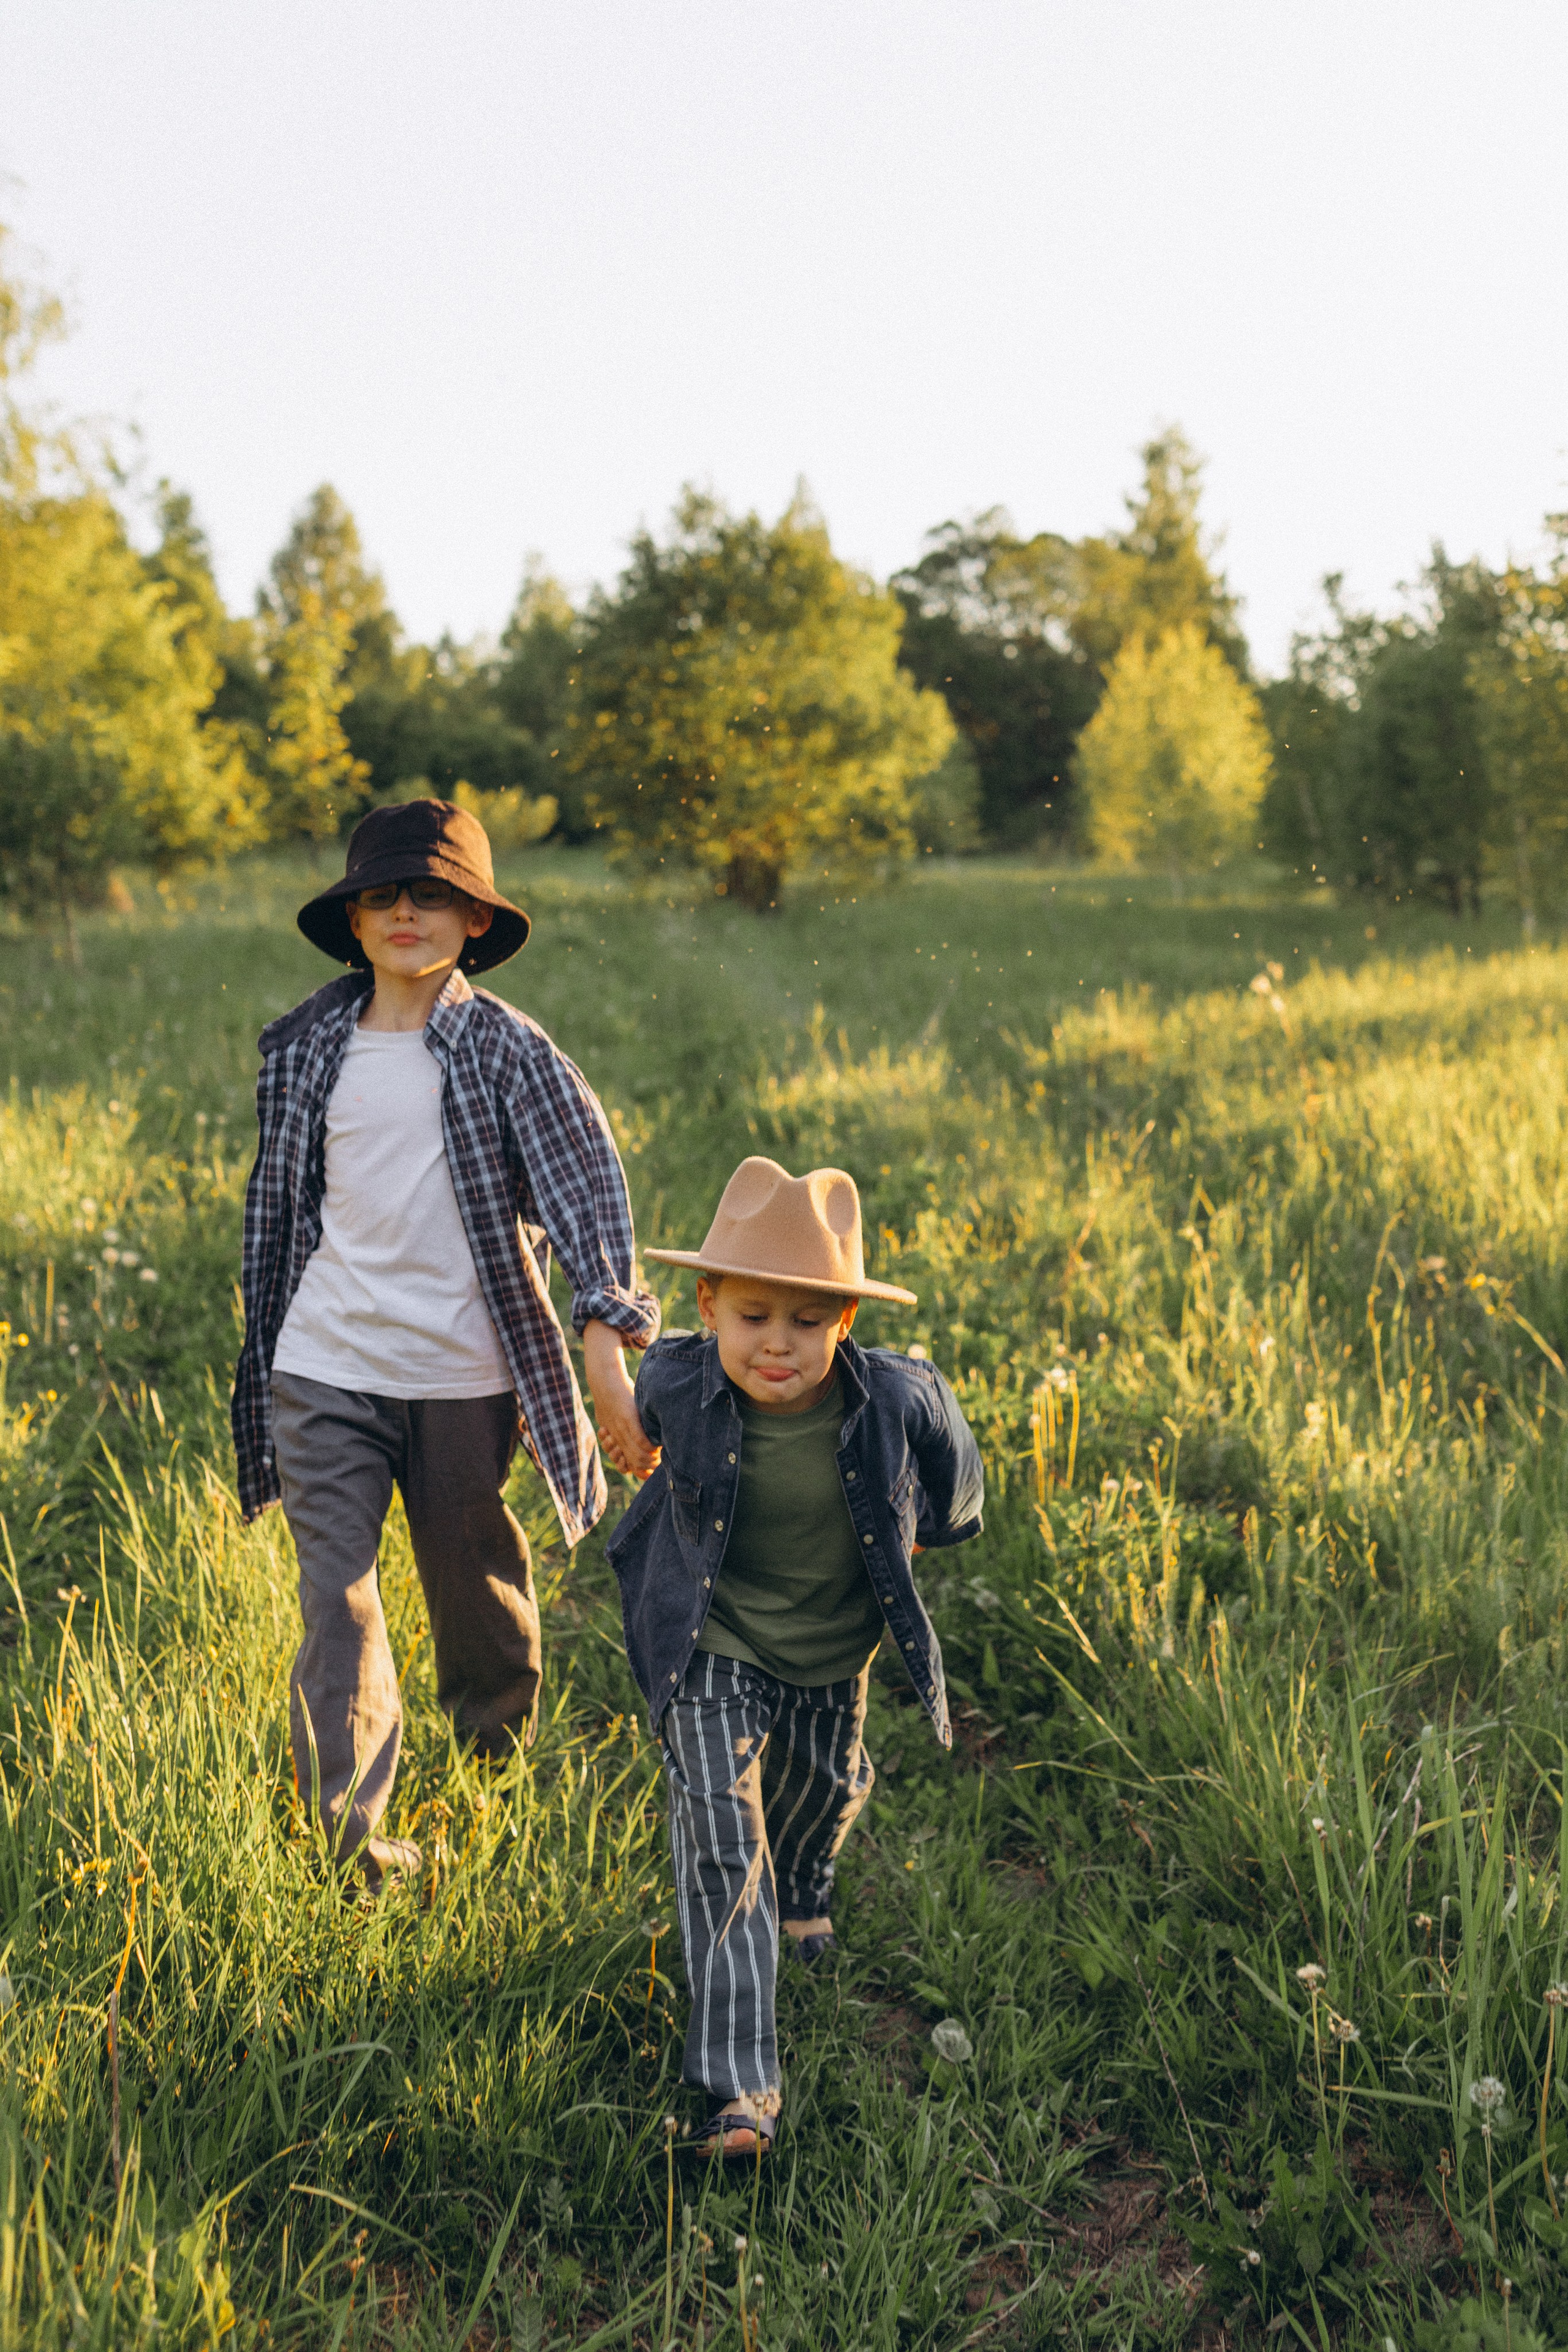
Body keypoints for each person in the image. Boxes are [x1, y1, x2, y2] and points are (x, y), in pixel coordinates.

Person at [231, 797, 658, 1891]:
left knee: (474, 1582)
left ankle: (491, 1771)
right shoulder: (304, 1047)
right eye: (383, 895)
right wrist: (266, 1351)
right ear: (354, 920)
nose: (406, 913)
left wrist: (608, 1357)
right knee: (341, 1598)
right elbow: (279, 1217)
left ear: (475, 918)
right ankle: (348, 1849)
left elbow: (589, 1204)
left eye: (433, 894)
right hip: (324, 1366)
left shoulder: (511, 1054)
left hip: (464, 1377)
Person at [606, 1155, 983, 2156]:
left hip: (832, 1650)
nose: (779, 1345)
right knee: (725, 1834)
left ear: (845, 1325)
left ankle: (809, 1882)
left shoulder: (898, 1400)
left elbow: (959, 1481)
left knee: (820, 1789)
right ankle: (740, 2090)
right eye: (754, 1317)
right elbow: (634, 1430)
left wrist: (916, 1532)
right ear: (709, 1303)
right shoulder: (677, 1381)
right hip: (714, 1638)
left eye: (809, 1323)